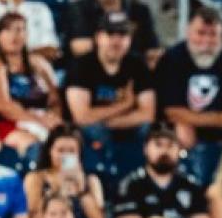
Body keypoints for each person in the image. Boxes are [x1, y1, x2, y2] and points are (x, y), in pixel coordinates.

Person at [154, 6, 222, 148]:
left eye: (213, 34)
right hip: (182, 128)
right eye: (201, 33)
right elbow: (172, 112)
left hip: (219, 129)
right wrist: (221, 119)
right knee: (182, 131)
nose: (206, 40)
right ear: (188, 31)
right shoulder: (171, 58)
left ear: (221, 36)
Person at [110, 123, 209, 218]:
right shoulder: (130, 185)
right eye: (158, 145)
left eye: (170, 145)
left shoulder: (192, 186)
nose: (164, 151)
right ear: (146, 148)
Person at [0, 10, 63, 151]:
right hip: (4, 123)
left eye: (20, 30)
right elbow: (2, 105)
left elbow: (55, 101)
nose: (14, 35)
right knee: (35, 144)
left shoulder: (39, 64)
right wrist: (37, 120)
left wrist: (54, 119)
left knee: (66, 139)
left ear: (27, 35)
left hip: (40, 119)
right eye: (8, 30)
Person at [65, 11, 157, 145]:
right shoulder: (81, 65)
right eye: (110, 33)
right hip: (93, 133)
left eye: (122, 34)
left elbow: (148, 114)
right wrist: (126, 104)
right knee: (93, 129)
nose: (116, 40)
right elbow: (82, 117)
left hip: (124, 127)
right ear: (98, 37)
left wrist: (110, 122)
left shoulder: (138, 65)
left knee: (147, 128)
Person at [22, 125, 106, 218]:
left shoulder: (91, 180)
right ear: (50, 151)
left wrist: (81, 191)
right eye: (60, 151)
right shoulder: (36, 179)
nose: (65, 156)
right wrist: (57, 190)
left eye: (71, 151)